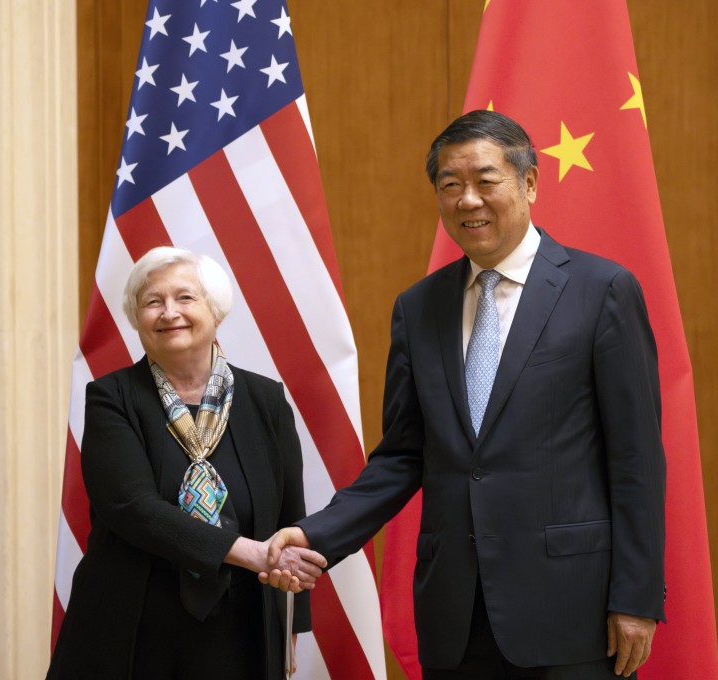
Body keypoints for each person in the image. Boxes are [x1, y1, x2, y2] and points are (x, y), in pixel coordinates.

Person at [263, 111, 667, 679]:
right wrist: (316, 535)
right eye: (450, 186)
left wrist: (637, 597)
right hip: (454, 615)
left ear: (528, 184)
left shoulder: (601, 291)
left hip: (570, 610)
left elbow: (636, 461)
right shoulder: (418, 307)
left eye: (485, 180)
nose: (468, 200)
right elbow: (403, 456)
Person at [48, 246, 326, 679]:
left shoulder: (265, 400)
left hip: (246, 627)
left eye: (185, 298)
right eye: (152, 301)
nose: (168, 312)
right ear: (138, 317)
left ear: (216, 311)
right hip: (133, 627)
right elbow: (133, 509)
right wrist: (248, 553)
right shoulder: (110, 398)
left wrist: (292, 623)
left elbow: (291, 515)